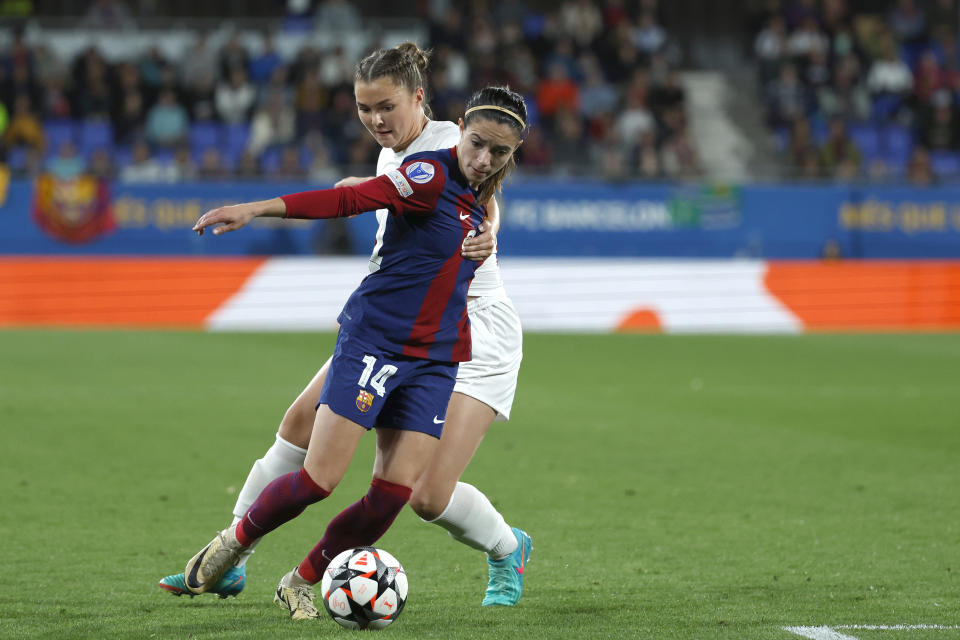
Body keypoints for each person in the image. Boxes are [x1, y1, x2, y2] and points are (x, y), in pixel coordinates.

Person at [159, 44, 531, 609]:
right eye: (364, 108)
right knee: (301, 423)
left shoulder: (446, 149)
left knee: (427, 496)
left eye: (387, 106)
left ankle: (508, 549)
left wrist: (492, 229)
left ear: (419, 100)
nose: (376, 120)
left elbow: (474, 190)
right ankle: (234, 557)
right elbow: (383, 191)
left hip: (471, 326)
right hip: (397, 321)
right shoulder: (399, 151)